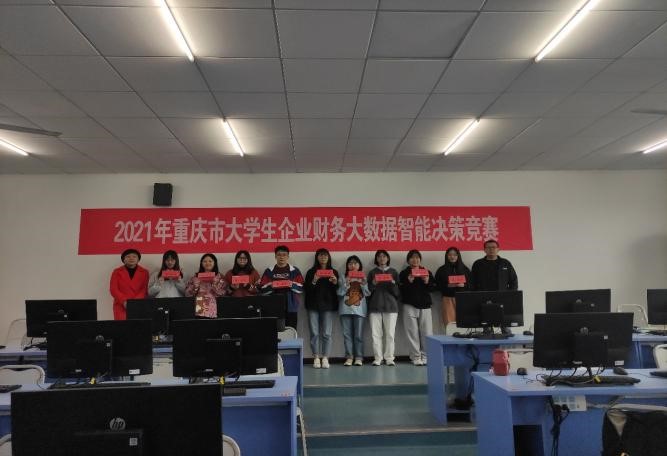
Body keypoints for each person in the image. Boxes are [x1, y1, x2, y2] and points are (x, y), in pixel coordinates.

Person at [471, 239, 518, 335]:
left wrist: (510, 295)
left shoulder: (505, 263)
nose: (491, 249)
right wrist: (476, 295)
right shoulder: (478, 264)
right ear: (484, 250)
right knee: (486, 323)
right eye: (488, 247)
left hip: (502, 296)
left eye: (493, 247)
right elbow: (472, 281)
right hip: (484, 297)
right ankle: (487, 333)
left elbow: (513, 280)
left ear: (498, 249)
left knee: (505, 325)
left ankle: (505, 334)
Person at [304, 248, 339, 369]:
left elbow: (338, 290)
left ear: (328, 257)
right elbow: (306, 289)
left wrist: (335, 282)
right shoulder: (311, 272)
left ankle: (325, 357)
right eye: (321, 255)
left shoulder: (333, 272)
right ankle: (316, 357)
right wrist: (314, 280)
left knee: (327, 333)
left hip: (328, 306)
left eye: (325, 255)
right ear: (317, 257)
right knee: (314, 333)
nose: (323, 257)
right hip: (313, 305)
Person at [399, 249, 435, 366]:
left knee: (427, 332)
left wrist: (427, 281)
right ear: (408, 260)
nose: (415, 260)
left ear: (420, 259)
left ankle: (426, 356)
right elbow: (400, 290)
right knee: (412, 332)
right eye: (412, 258)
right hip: (409, 305)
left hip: (425, 306)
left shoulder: (427, 272)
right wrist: (408, 282)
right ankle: (415, 357)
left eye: (417, 258)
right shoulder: (404, 273)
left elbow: (432, 289)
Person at [366, 249, 400, 366]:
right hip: (375, 306)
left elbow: (397, 293)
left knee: (390, 334)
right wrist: (373, 284)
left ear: (388, 258)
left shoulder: (393, 272)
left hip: (391, 307)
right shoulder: (372, 272)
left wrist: (393, 283)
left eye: (384, 256)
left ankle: (389, 358)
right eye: (379, 256)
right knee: (376, 335)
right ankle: (378, 358)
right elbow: (367, 292)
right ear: (376, 259)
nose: (382, 258)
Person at [260, 245, 304, 330]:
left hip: (291, 306)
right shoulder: (269, 271)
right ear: (275, 256)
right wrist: (271, 286)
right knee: (275, 331)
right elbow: (262, 290)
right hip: (273, 306)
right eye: (279, 255)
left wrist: (292, 284)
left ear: (288, 257)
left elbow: (301, 287)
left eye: (284, 255)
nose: (281, 257)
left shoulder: (294, 271)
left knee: (291, 330)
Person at [338, 255, 370, 366]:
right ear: (347, 265)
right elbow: (340, 293)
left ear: (359, 265)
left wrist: (364, 284)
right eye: (350, 263)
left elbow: (367, 293)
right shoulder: (343, 277)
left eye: (355, 263)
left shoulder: (363, 277)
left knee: (358, 335)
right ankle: (349, 357)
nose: (353, 265)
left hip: (360, 310)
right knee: (347, 335)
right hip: (345, 310)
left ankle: (359, 357)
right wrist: (346, 283)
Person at [434, 247, 471, 332]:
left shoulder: (465, 269)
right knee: (449, 324)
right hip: (448, 299)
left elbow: (471, 284)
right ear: (446, 256)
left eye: (454, 255)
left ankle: (464, 339)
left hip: (463, 299)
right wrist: (447, 286)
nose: (452, 257)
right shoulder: (441, 270)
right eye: (450, 255)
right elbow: (436, 285)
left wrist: (464, 285)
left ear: (458, 256)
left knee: (464, 323)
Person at [110, 248, 149, 320]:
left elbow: (144, 289)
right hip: (121, 305)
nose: (131, 258)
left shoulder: (144, 272)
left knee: (138, 325)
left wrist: (134, 303)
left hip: (138, 304)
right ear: (124, 259)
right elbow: (113, 289)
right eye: (128, 256)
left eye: (134, 256)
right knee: (122, 326)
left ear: (138, 259)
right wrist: (124, 301)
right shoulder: (117, 272)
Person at [185, 253, 228, 318]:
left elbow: (224, 293)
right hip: (199, 304)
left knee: (213, 323)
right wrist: (195, 287)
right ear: (201, 263)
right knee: (200, 322)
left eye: (210, 261)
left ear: (214, 263)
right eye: (205, 261)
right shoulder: (195, 277)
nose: (207, 263)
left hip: (216, 306)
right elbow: (187, 294)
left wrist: (214, 284)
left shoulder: (220, 277)